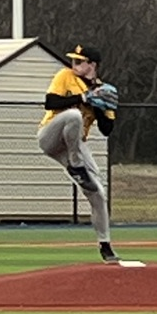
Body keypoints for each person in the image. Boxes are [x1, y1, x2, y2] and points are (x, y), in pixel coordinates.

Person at [38, 43, 120, 263]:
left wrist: (101, 107)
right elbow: (50, 102)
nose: (73, 64)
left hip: (75, 143)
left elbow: (107, 129)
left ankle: (105, 245)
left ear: (92, 65)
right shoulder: (65, 75)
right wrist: (83, 98)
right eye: (73, 60)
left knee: (98, 193)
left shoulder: (102, 89)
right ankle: (76, 164)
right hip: (50, 135)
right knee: (74, 115)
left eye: (79, 61)